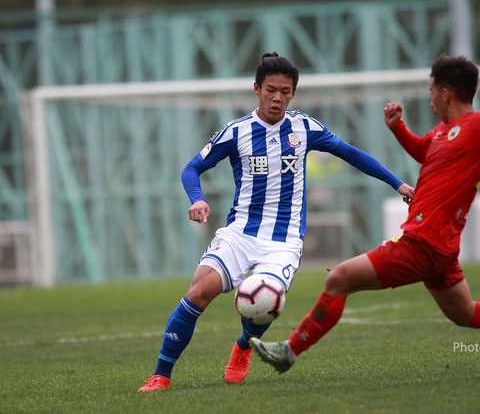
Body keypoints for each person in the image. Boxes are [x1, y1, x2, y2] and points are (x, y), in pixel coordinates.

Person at [250, 54, 480, 374]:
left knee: (339, 279)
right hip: (440, 247)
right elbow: (423, 152)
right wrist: (398, 128)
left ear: (446, 93)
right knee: (466, 312)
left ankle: (289, 351)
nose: (430, 100)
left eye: (432, 92)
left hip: (422, 241)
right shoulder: (442, 132)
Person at [138, 52, 414, 391]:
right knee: (198, 292)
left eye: (285, 91)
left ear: (293, 93)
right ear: (257, 89)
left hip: (283, 240)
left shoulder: (305, 128)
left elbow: (352, 154)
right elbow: (192, 168)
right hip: (240, 232)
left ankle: (243, 346)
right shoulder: (237, 132)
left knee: (266, 301)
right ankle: (161, 376)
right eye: (271, 90)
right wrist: (197, 198)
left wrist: (397, 183)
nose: (277, 98)